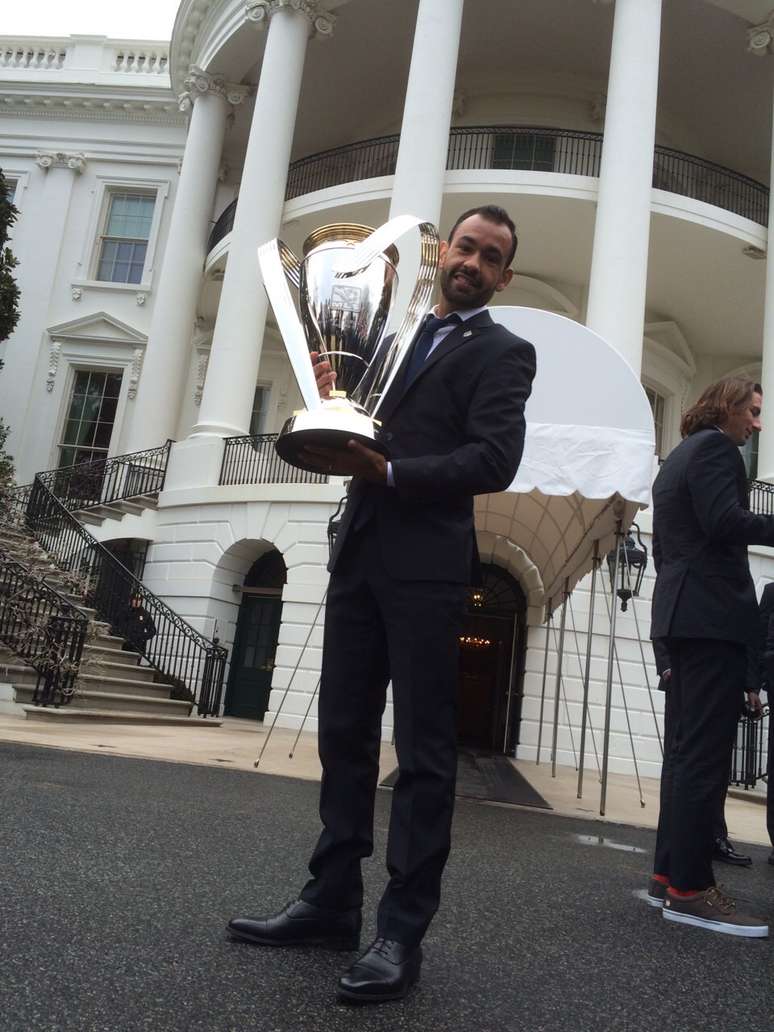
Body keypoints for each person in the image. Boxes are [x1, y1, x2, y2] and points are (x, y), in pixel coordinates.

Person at [227, 206, 536, 1002]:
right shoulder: (390, 343)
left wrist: (390, 470)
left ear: (503, 276)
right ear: (445, 253)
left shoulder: (504, 351)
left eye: (490, 257)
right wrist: (338, 402)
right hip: (359, 552)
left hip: (428, 567)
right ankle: (331, 901)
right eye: (465, 246)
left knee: (425, 754)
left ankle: (400, 933)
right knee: (344, 733)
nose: (473, 262)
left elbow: (494, 458)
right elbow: (358, 431)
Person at [648, 375, 773, 936]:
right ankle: (692, 889)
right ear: (725, 407)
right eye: (750, 410)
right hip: (712, 620)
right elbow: (726, 522)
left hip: (683, 617)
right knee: (703, 760)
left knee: (683, 757)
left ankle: (667, 877)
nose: (756, 423)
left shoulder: (679, 457)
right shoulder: (719, 451)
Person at [652, 639, 757, 867]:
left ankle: (715, 838)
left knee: (716, 769)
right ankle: (673, 844)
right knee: (677, 760)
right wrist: (668, 669)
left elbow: (745, 634)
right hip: (683, 679)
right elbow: (662, 621)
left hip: (723, 680)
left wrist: (751, 686)